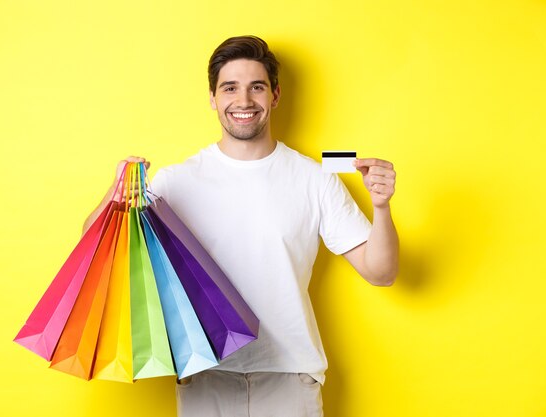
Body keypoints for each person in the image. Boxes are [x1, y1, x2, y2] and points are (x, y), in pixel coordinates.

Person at [84, 35, 398, 417]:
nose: (244, 101)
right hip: (205, 374)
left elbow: (381, 272)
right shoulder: (175, 182)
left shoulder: (314, 179)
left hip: (290, 375)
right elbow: (96, 250)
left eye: (257, 88)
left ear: (275, 96)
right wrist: (116, 193)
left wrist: (381, 207)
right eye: (230, 88)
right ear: (213, 98)